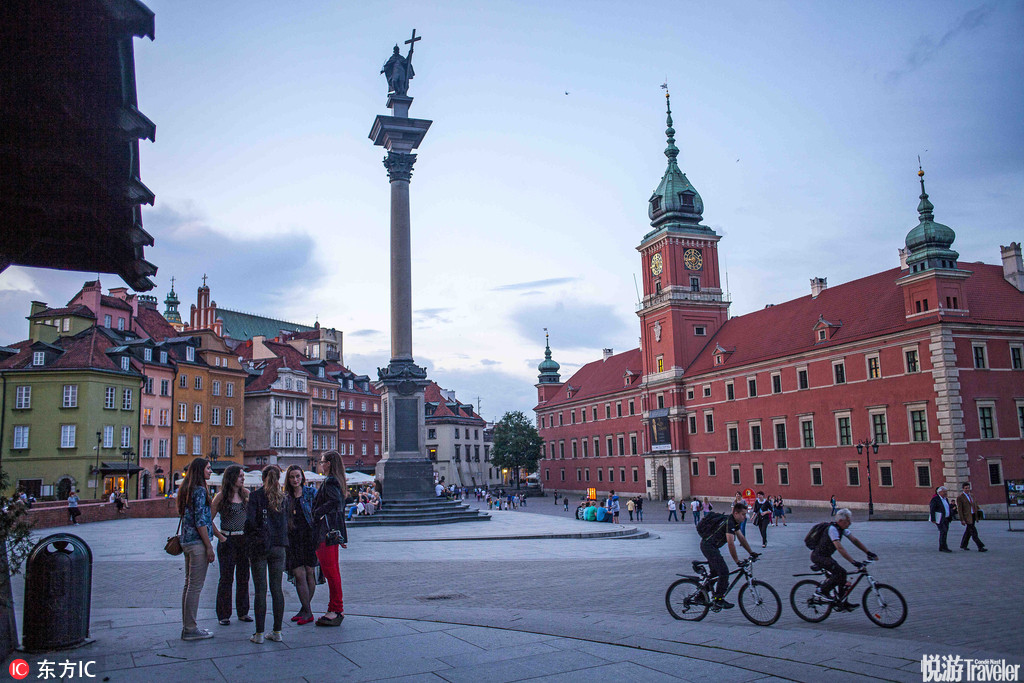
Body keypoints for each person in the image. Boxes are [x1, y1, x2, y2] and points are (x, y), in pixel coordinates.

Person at [246, 466, 288, 644]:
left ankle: (259, 634)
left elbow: (250, 522)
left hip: (260, 546)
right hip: (279, 546)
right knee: (277, 589)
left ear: (262, 478)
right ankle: (277, 631)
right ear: (279, 478)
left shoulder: (255, 496)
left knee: (260, 591)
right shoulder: (283, 498)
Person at [178, 457, 219, 641]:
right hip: (197, 544)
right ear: (200, 470)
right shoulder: (201, 491)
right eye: (208, 468)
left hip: (186, 542)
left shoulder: (186, 489)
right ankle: (190, 628)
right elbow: (201, 521)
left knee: (188, 585)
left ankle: (187, 625)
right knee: (195, 586)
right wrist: (209, 547)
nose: (210, 471)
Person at [811, 508, 878, 609]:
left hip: (825, 556)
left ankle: (842, 602)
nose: (850, 523)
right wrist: (854, 562)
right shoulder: (832, 529)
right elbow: (840, 548)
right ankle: (821, 591)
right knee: (841, 572)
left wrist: (868, 552)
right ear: (841, 521)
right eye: (848, 521)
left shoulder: (842, 529)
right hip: (818, 557)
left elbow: (854, 540)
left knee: (842, 576)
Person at [211, 465, 252, 626]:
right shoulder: (221, 497)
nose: (243, 478)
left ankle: (243, 612)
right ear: (232, 477)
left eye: (243, 476)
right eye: (240, 476)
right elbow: (208, 519)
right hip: (227, 540)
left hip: (243, 539)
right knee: (226, 578)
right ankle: (223, 614)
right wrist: (220, 537)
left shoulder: (246, 495)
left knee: (244, 577)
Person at [699, 503, 759, 610]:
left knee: (715, 574)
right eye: (743, 514)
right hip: (708, 546)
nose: (745, 517)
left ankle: (700, 596)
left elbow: (741, 538)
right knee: (724, 572)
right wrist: (737, 561)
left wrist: (751, 552)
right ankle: (718, 600)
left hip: (711, 546)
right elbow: (731, 543)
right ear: (735, 513)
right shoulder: (729, 522)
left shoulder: (733, 522)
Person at [313, 450, 348, 627]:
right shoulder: (336, 481)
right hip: (331, 533)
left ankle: (335, 609)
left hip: (325, 533)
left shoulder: (330, 481)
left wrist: (317, 513)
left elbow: (335, 503)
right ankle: (335, 608)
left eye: (322, 461)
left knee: (331, 572)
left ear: (329, 464)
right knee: (333, 572)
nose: (321, 464)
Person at [284, 466, 320, 624]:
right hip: (293, 539)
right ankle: (307, 610)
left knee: (309, 572)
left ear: (302, 477)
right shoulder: (286, 496)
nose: (295, 480)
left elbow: (319, 511)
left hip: (309, 537)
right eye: (292, 477)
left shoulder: (311, 493)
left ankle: (305, 610)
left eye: (297, 476)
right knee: (299, 574)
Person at [956, 482, 988, 552]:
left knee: (968, 531)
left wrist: (979, 511)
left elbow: (975, 504)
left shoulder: (972, 496)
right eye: (966, 488)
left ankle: (963, 544)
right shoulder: (960, 498)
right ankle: (980, 546)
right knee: (974, 532)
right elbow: (960, 509)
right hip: (967, 517)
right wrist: (962, 519)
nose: (967, 489)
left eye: (968, 488)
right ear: (963, 489)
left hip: (973, 515)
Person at [929, 486, 954, 552]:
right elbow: (932, 509)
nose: (946, 493)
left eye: (946, 491)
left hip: (946, 518)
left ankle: (941, 546)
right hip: (939, 518)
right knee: (943, 531)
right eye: (944, 492)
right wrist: (933, 518)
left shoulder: (946, 499)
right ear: (939, 492)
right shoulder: (935, 499)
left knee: (944, 532)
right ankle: (944, 547)